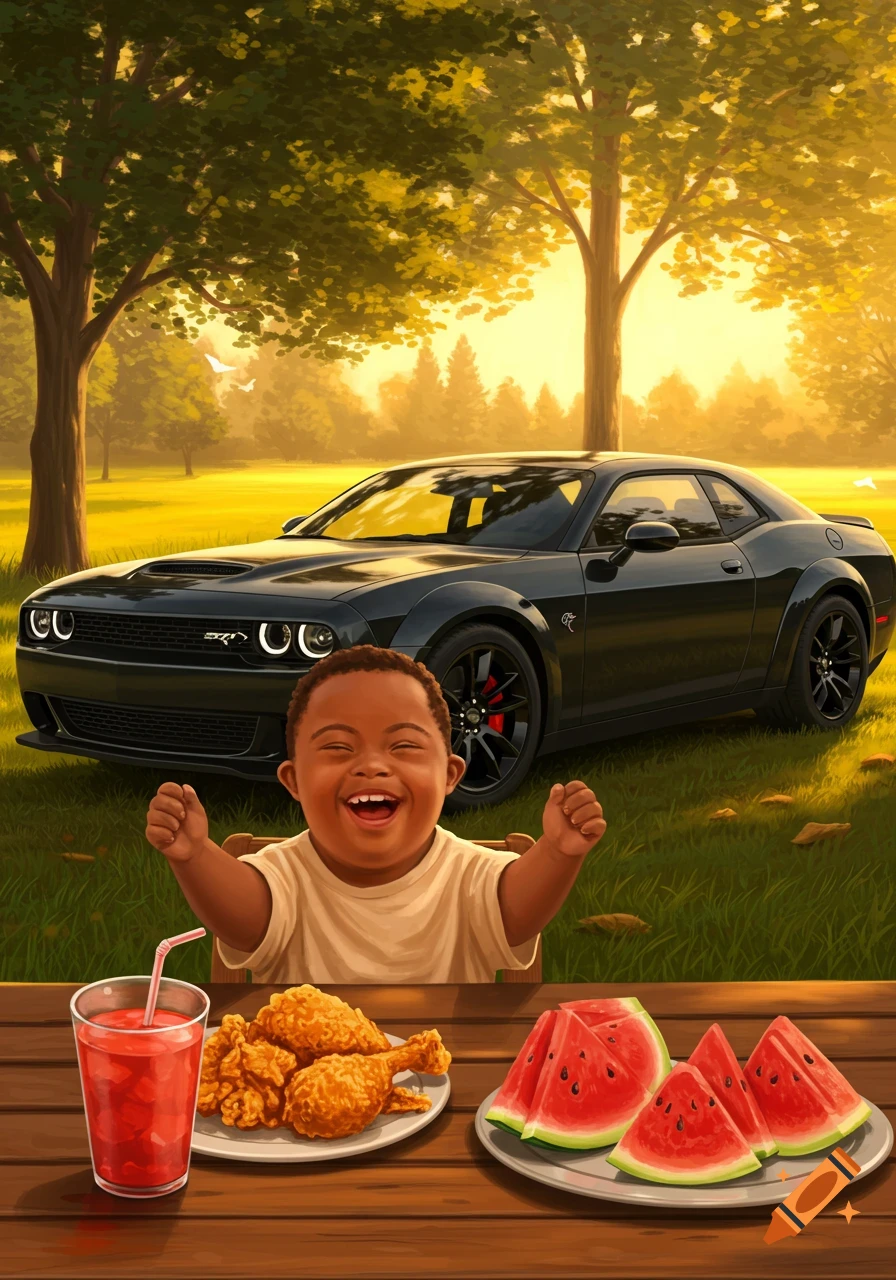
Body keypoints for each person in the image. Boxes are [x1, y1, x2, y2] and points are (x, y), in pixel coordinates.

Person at [145, 645, 607, 983]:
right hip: (308, 1094)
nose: (371, 765)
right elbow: (247, 922)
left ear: (449, 775)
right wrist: (195, 856)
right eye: (338, 748)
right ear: (293, 782)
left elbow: (513, 912)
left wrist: (558, 852)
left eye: (403, 745)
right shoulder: (281, 875)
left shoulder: (471, 875)